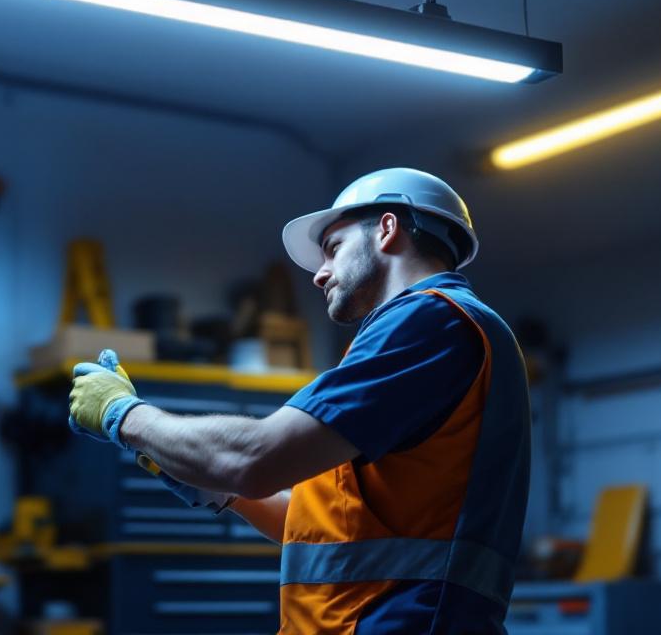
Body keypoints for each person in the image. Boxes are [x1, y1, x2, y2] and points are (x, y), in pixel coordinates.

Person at [68, 168, 531, 634]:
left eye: (333, 249)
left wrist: (122, 414)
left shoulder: (431, 321)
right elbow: (321, 524)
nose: (320, 274)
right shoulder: (426, 331)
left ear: (388, 230)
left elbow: (254, 457)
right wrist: (224, 493)